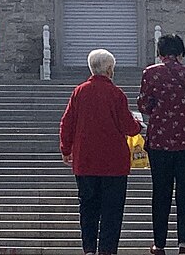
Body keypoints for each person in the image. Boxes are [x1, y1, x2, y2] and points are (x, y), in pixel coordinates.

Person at [60, 49, 143, 255]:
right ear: (108, 69)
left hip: (85, 162)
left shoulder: (79, 92)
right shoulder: (116, 94)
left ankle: (89, 249)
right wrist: (139, 125)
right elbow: (127, 126)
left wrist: (65, 148)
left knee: (88, 209)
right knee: (112, 212)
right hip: (114, 164)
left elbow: (67, 123)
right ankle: (107, 250)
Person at [138, 33, 185, 255]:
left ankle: (159, 244)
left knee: (160, 193)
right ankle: (184, 244)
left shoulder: (150, 73)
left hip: (160, 142)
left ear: (160, 53)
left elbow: (143, 105)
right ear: (181, 52)